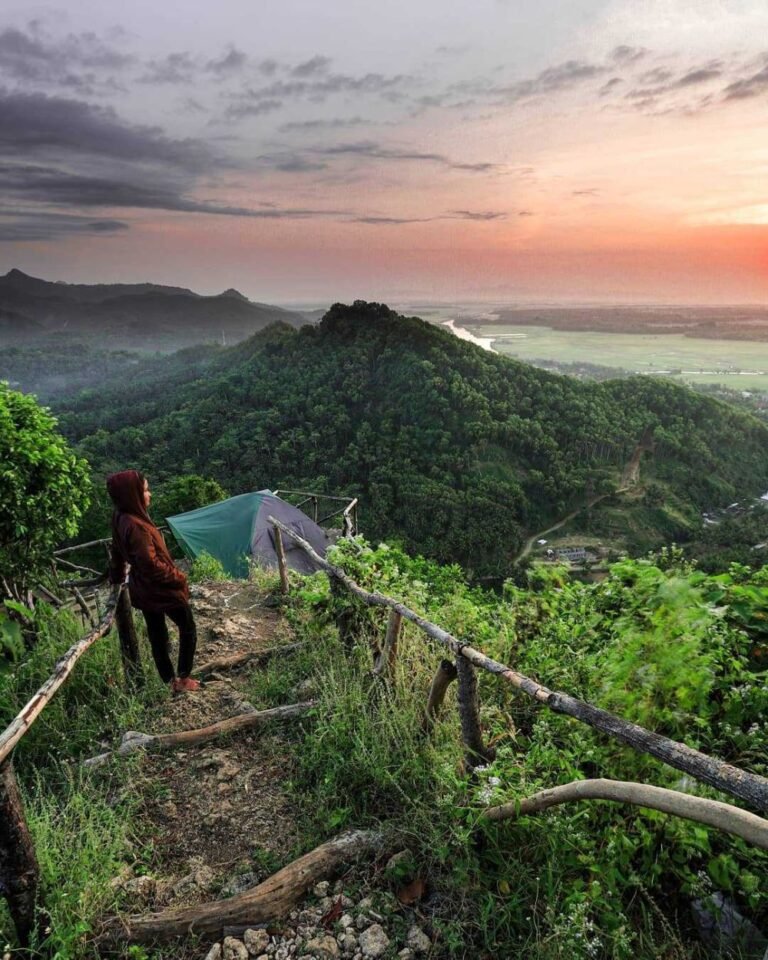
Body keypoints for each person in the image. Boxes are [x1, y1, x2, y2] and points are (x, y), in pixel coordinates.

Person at [106, 469, 200, 692]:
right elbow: (151, 566)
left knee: (157, 634)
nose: (150, 495)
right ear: (133, 494)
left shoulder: (120, 517)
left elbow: (118, 550)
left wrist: (117, 577)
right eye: (146, 490)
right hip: (161, 589)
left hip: (142, 589)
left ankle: (169, 682)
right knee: (188, 628)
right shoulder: (137, 526)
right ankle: (184, 679)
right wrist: (179, 577)